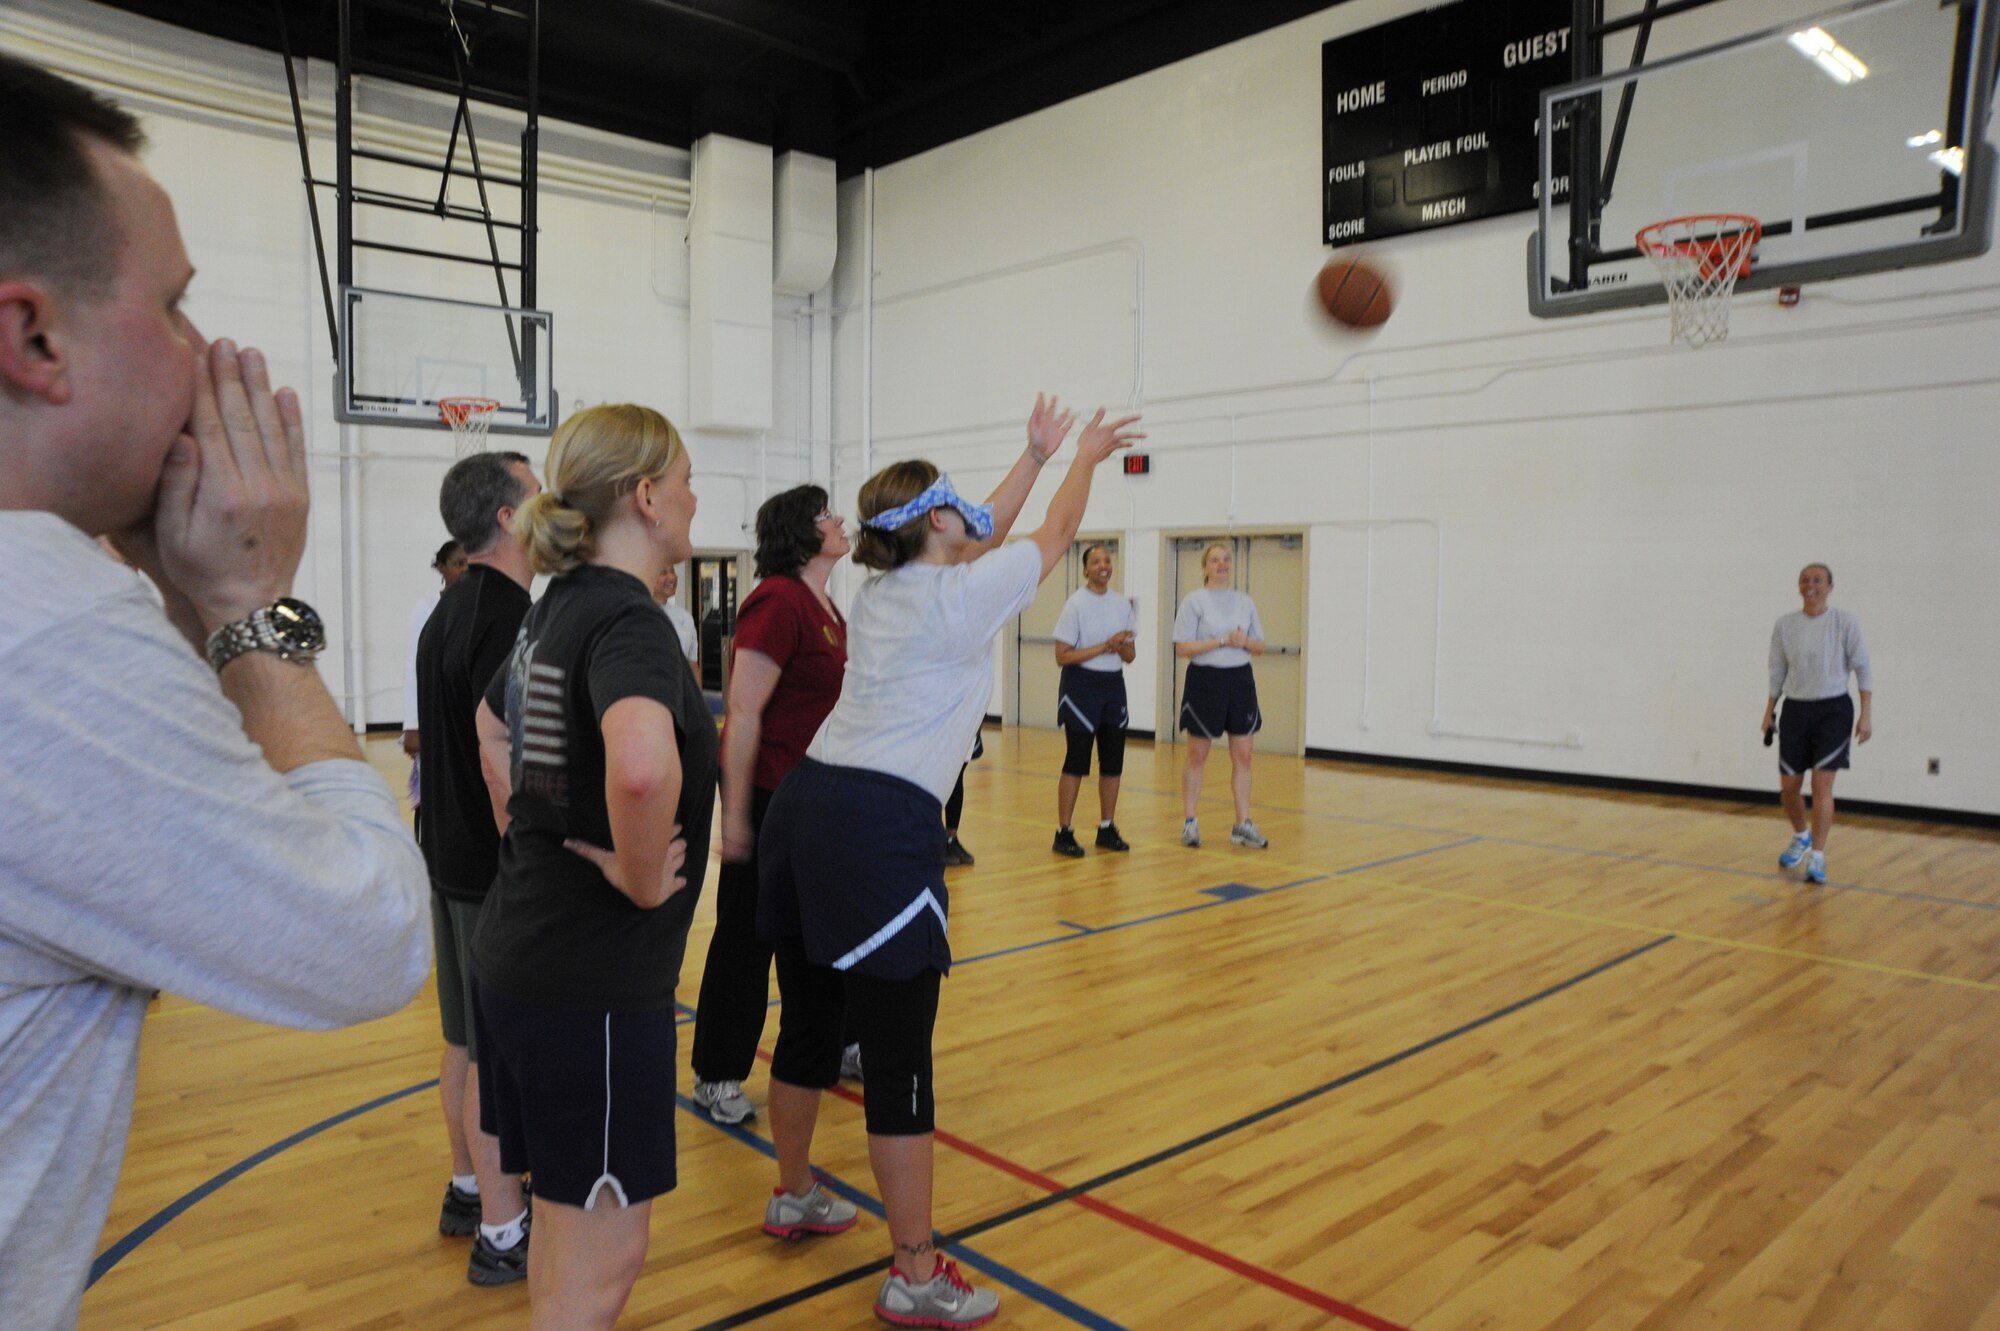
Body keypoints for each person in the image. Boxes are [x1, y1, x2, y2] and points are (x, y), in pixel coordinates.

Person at [0, 55, 431, 1331]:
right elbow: (363, 935)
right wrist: (254, 616)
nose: (205, 357)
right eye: (177, 307)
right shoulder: (43, 621)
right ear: (34, 337)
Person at [757, 395, 1141, 1328]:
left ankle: (795, 1192)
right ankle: (915, 1273)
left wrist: (1031, 451)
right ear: (933, 520)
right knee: (899, 1059)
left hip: (805, 806)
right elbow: (1046, 532)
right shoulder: (962, 591)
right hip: (878, 825)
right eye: (951, 503)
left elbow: (989, 532)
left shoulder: (880, 588)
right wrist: (1081, 458)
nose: (968, 511)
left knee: (811, 1021)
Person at [470, 404, 718, 1331]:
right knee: (600, 1265)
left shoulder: (554, 610)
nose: (696, 497)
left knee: (565, 1238)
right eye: (686, 479)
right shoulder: (631, 622)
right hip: (591, 992)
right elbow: (644, 765)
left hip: (523, 954)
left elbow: (491, 724)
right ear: (648, 497)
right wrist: (640, 878)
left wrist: (527, 831)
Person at [415, 452, 538, 1283]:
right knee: (495, 1053)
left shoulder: (448, 608)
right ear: (505, 516)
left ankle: (468, 1187)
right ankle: (503, 1231)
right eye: (535, 492)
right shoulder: (510, 613)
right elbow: (509, 762)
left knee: (464, 1037)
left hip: (446, 857)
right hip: (493, 867)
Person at [690, 485, 849, 1127]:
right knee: (745, 937)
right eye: (826, 515)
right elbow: (746, 711)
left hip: (815, 799)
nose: (840, 522)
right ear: (801, 532)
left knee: (820, 931)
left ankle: (832, 1044)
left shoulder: (826, 604)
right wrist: (735, 818)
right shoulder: (777, 600)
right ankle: (717, 1072)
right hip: (767, 797)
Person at [1764, 562, 1872, 886]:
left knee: (1821, 785)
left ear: (1829, 587)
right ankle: (1801, 836)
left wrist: (1866, 714)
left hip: (1833, 711)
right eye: (1805, 580)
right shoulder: (1785, 625)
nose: (1811, 585)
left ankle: (1818, 856)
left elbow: (1863, 669)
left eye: (1818, 580)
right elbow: (1776, 673)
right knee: (1789, 789)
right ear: (1799, 586)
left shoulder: (1844, 622)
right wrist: (1769, 711)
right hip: (1796, 710)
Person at [1174, 541, 1269, 849]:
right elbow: (1182, 647)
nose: (1222, 564)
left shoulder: (1244, 601)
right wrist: (1221, 641)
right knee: (1197, 755)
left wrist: (1243, 642)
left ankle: (1242, 824)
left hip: (1240, 681)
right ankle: (1190, 822)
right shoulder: (1194, 602)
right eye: (1215, 560)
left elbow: (1259, 645)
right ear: (1205, 567)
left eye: (1226, 559)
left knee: (1243, 756)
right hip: (1205, 681)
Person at [1050, 542, 1136, 856]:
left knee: (1112, 763)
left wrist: (1120, 647)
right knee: (1076, 761)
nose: (1104, 565)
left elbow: (1130, 655)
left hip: (1113, 687)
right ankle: (1064, 831)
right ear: (1086, 569)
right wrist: (1104, 645)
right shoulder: (1075, 605)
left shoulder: (1121, 605)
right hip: (1080, 688)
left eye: (1107, 560)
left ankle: (1106, 827)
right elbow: (1062, 656)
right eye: (1097, 561)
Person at [404, 539, 469, 768]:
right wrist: (412, 726)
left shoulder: (478, 608)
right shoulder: (427, 608)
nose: (464, 570)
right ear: (442, 566)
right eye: (458, 564)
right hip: (435, 715)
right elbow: (414, 668)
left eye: (469, 565)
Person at [652, 561, 702, 685]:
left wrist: (697, 702)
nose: (672, 577)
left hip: (679, 697)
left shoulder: (685, 618)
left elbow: (692, 667)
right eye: (664, 572)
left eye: (673, 571)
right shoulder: (633, 615)